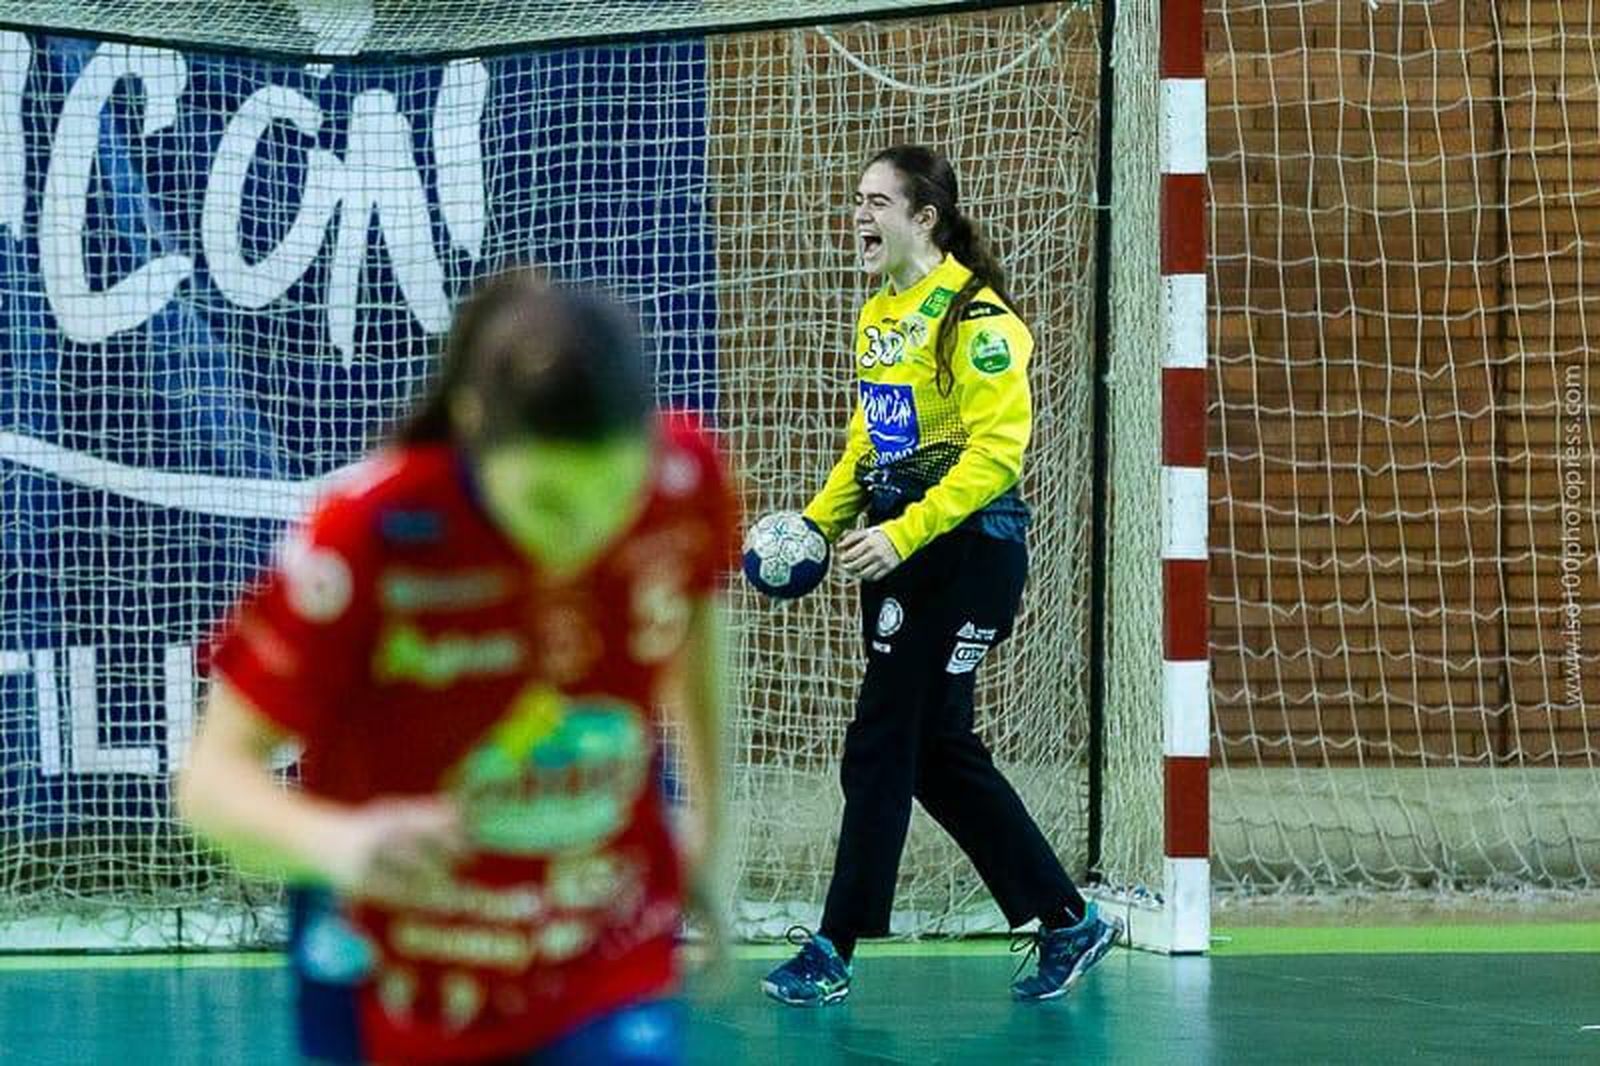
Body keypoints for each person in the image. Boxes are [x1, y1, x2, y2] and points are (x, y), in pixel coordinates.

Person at [177, 269, 738, 1064]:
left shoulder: (682, 479)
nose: (585, 532)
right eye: (549, 503)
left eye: (613, 494)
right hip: (397, 958)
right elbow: (211, 783)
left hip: (598, 937)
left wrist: (706, 829)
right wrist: (344, 845)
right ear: (475, 427)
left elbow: (692, 632)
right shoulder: (370, 532)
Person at [761, 145, 1119, 1006]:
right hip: (900, 548)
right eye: (856, 198)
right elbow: (869, 440)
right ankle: (1067, 919)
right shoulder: (881, 313)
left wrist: (906, 534)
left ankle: (834, 946)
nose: (859, 215)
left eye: (878, 201)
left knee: (882, 739)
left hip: (965, 555)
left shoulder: (980, 320)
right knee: (937, 752)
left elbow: (997, 457)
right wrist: (819, 522)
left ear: (926, 218)